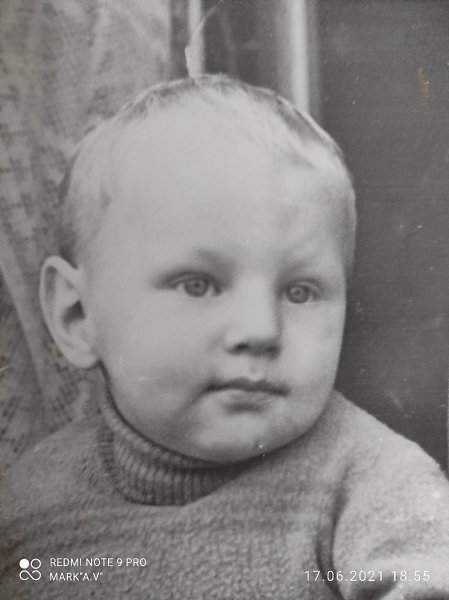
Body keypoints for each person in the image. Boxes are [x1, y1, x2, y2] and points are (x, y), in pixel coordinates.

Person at [1, 75, 449, 599]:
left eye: (300, 291)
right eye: (199, 285)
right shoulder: (30, 507)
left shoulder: (372, 484)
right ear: (78, 315)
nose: (261, 330)